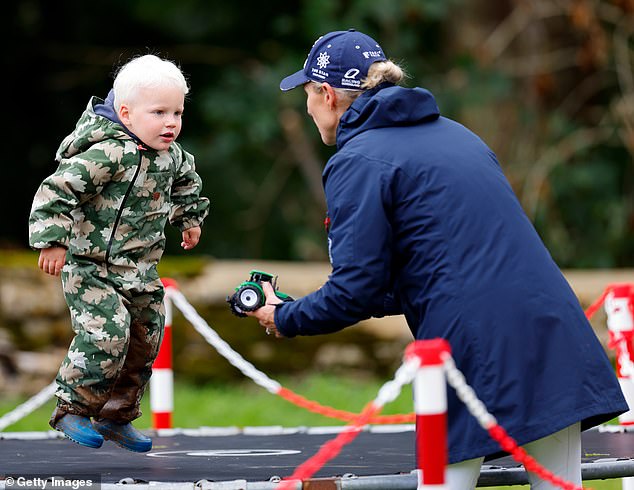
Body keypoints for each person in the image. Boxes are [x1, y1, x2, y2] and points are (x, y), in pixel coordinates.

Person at [248, 29, 628, 488]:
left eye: (307, 94)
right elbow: (435, 266)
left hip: (468, 346)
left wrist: (285, 317)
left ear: (327, 95)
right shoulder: (459, 135)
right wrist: (295, 309)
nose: (306, 107)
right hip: (553, 327)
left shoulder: (358, 161)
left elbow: (356, 290)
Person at [28, 54, 210, 452]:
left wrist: (190, 218)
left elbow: (187, 185)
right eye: (159, 112)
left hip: (140, 270)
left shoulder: (173, 155)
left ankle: (116, 414)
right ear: (126, 113)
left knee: (146, 338)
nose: (171, 122)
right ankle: (72, 408)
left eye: (177, 112)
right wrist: (52, 240)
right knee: (107, 333)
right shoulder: (107, 153)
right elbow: (56, 190)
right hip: (91, 267)